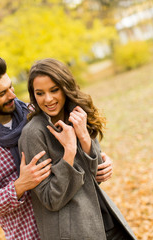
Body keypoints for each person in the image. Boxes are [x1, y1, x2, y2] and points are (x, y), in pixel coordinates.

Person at [0, 55, 114, 240]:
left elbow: (70, 156)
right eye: (2, 94)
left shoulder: (34, 112)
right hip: (28, 234)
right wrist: (20, 185)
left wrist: (99, 158)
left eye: (10, 87)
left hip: (70, 225)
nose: (12, 95)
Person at [19, 58, 137, 240]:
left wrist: (84, 137)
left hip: (107, 221)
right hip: (74, 233)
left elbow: (97, 175)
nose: (48, 99)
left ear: (65, 87)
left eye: (54, 90)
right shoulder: (33, 133)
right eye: (40, 93)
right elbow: (51, 198)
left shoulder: (78, 116)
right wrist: (69, 152)